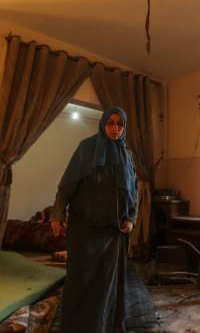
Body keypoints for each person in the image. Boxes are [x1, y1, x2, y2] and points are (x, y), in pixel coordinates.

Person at [50, 107, 138, 333]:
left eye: (120, 124)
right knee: (80, 283)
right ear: (103, 124)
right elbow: (67, 184)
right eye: (110, 123)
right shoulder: (87, 148)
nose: (115, 128)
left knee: (106, 288)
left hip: (113, 234)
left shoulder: (127, 156)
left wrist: (131, 218)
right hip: (84, 232)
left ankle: (102, 327)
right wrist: (57, 214)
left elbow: (132, 191)